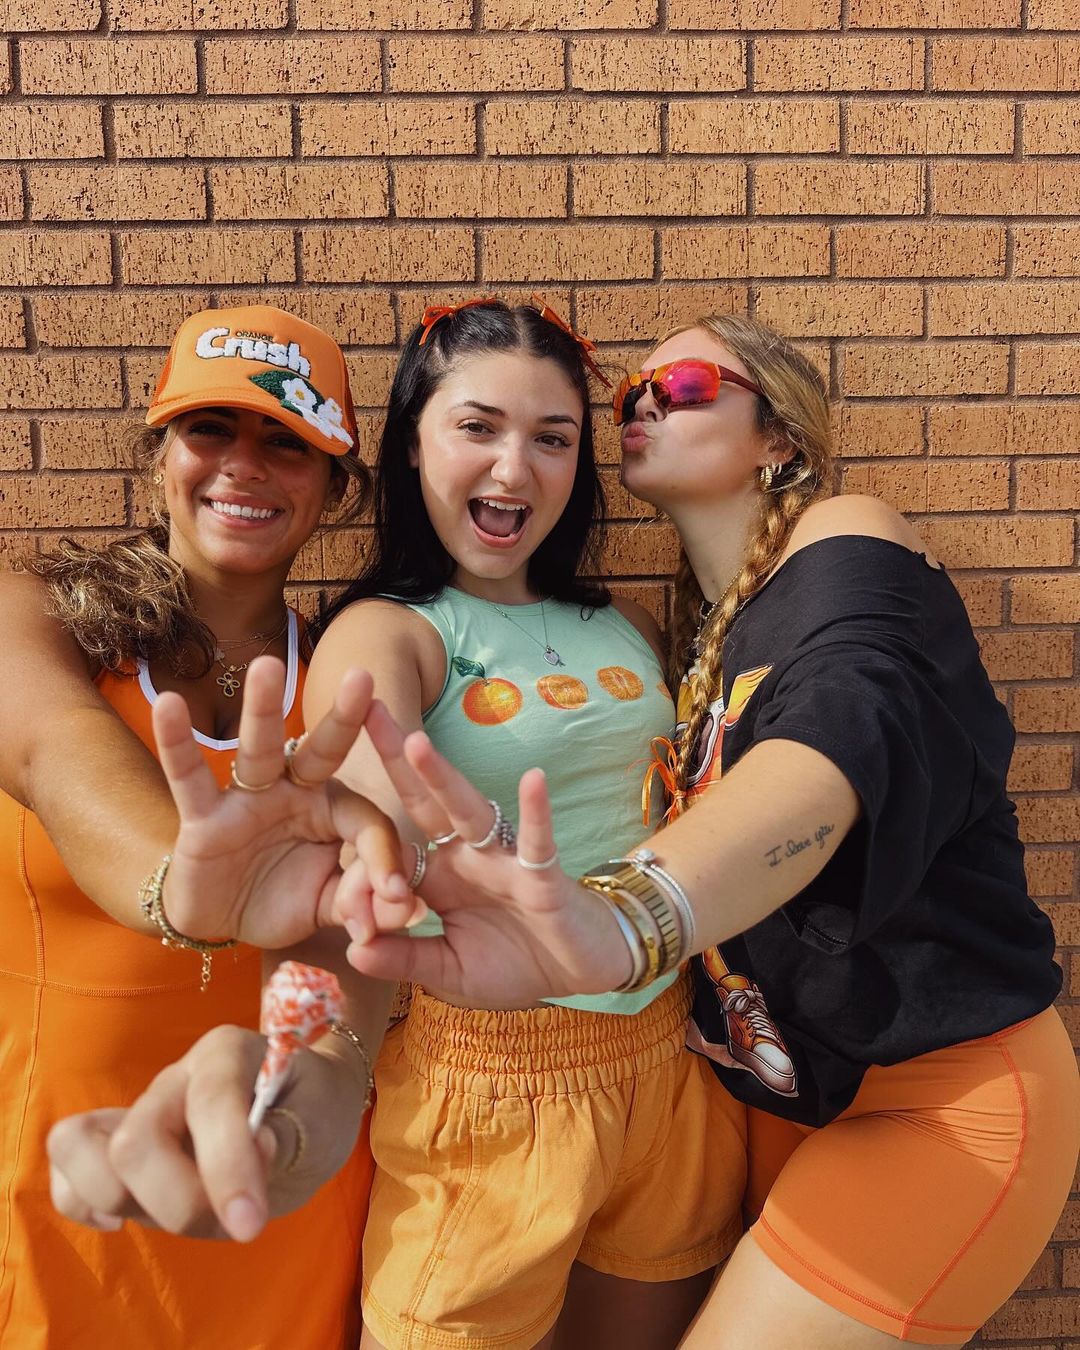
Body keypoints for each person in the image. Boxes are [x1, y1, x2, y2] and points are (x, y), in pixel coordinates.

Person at [333, 313, 1078, 1349]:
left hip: (932, 1091)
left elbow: (846, 731)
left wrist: (625, 920)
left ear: (780, 437)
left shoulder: (846, 536)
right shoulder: (695, 632)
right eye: (630, 393)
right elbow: (368, 765)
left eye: (681, 384)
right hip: (765, 1095)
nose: (643, 401)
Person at [48, 299, 748, 1350]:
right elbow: (366, 875)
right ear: (413, 443)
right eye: (477, 427)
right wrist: (302, 1077)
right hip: (489, 1086)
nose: (513, 468)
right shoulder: (389, 629)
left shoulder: (628, 621)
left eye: (552, 438)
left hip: (669, 1060)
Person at [0, 305, 383, 1350]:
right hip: (52, 1174)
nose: (243, 466)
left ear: (335, 487)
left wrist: (310, 1092)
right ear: (160, 454)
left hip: (270, 1170)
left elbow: (341, 953)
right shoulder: (34, 615)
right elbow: (54, 751)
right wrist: (187, 882)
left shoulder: (348, 679)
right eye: (211, 429)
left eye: (286, 442)